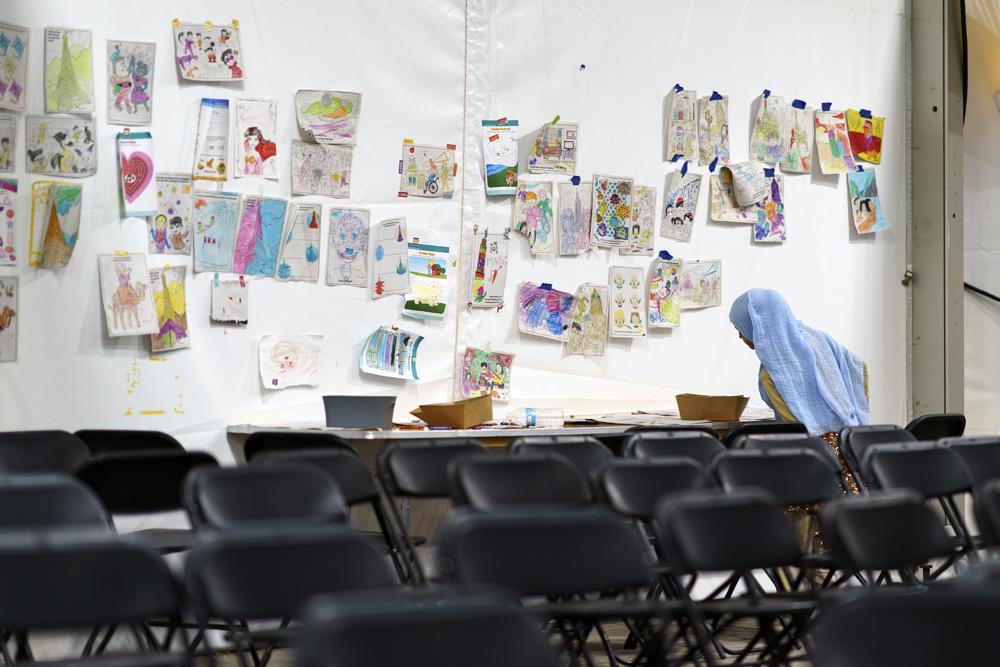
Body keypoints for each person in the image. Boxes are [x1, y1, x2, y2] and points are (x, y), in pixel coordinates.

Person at [729, 288, 870, 493]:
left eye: (741, 329)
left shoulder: (774, 369)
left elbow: (793, 427)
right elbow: (859, 367)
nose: (741, 337)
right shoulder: (819, 339)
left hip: (813, 461)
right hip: (851, 448)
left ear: (757, 325)